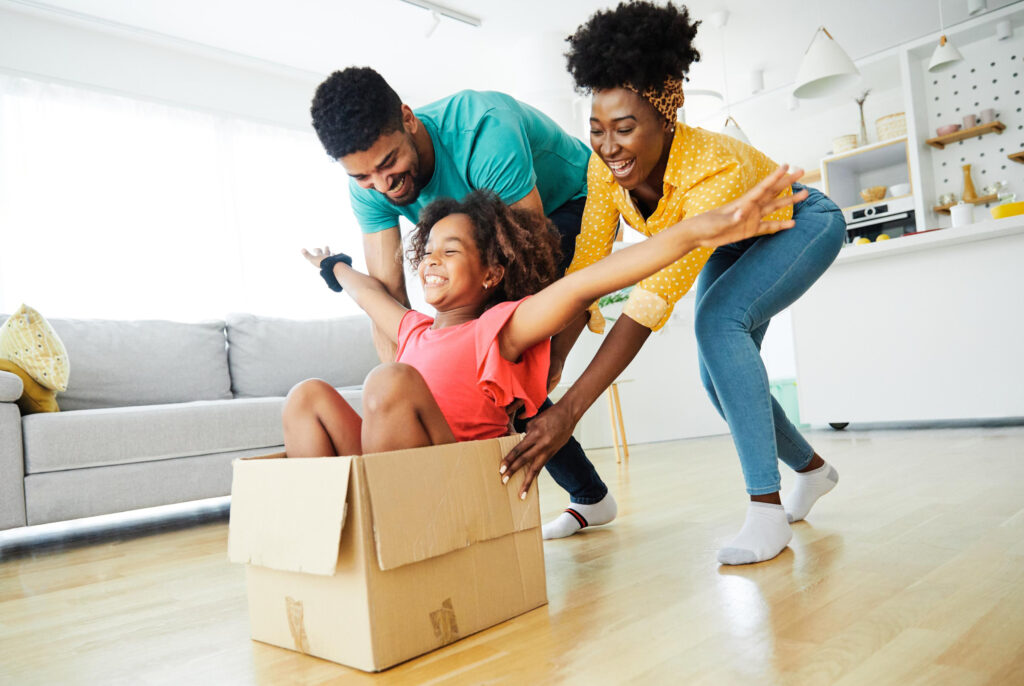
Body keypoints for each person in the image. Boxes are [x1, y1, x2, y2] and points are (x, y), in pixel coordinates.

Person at [500, 1, 847, 564]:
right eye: (596, 130)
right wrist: (552, 365)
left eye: (624, 129)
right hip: (730, 242)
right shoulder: (602, 168)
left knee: (717, 323)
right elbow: (587, 272)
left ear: (666, 118)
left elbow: (649, 301)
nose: (608, 146)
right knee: (716, 380)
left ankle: (766, 509)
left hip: (800, 222)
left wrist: (570, 411)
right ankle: (812, 470)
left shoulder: (711, 168)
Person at [284, 173, 805, 470]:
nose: (432, 260)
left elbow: (584, 285)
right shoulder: (413, 330)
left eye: (451, 250)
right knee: (307, 397)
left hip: (454, 478)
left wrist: (694, 232)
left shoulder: (500, 328)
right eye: (429, 251)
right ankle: (327, 538)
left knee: (390, 379)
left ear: (491, 273)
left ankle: (380, 530)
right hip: (390, 474)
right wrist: (334, 267)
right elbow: (368, 294)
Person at [309, 66, 615, 536]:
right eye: (364, 176)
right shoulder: (368, 185)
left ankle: (586, 495)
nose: (383, 185)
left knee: (503, 365)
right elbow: (388, 296)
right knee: (464, 367)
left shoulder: (483, 130)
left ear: (408, 119)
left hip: (569, 205)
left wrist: (546, 362)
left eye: (389, 164)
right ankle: (591, 495)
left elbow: (528, 266)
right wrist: (411, 392)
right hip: (477, 229)